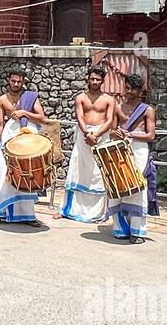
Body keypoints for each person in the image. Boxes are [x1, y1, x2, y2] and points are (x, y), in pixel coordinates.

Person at [0, 68, 47, 224]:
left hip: (28, 137)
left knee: (26, 174)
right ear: (9, 80)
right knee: (5, 174)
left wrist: (24, 113)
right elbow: (0, 123)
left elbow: (42, 118)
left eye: (19, 81)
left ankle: (28, 215)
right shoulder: (2, 100)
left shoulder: (30, 98)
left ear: (23, 82)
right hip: (9, 137)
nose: (16, 84)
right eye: (13, 81)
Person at [61, 65, 117, 224]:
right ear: (88, 79)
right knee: (78, 168)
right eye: (92, 78)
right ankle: (70, 209)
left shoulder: (108, 99)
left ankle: (98, 213)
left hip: (101, 136)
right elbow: (79, 116)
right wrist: (87, 134)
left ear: (102, 81)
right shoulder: (80, 97)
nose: (94, 82)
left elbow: (110, 120)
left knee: (99, 172)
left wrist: (97, 135)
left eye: (98, 79)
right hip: (83, 135)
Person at [106, 72, 158, 241]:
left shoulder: (147, 110)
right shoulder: (118, 108)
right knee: (118, 183)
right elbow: (112, 132)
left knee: (136, 185)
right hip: (120, 148)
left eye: (132, 89)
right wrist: (118, 134)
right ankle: (120, 228)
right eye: (126, 88)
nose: (128, 92)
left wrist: (130, 135)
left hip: (139, 149)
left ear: (139, 90)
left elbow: (150, 135)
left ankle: (137, 230)